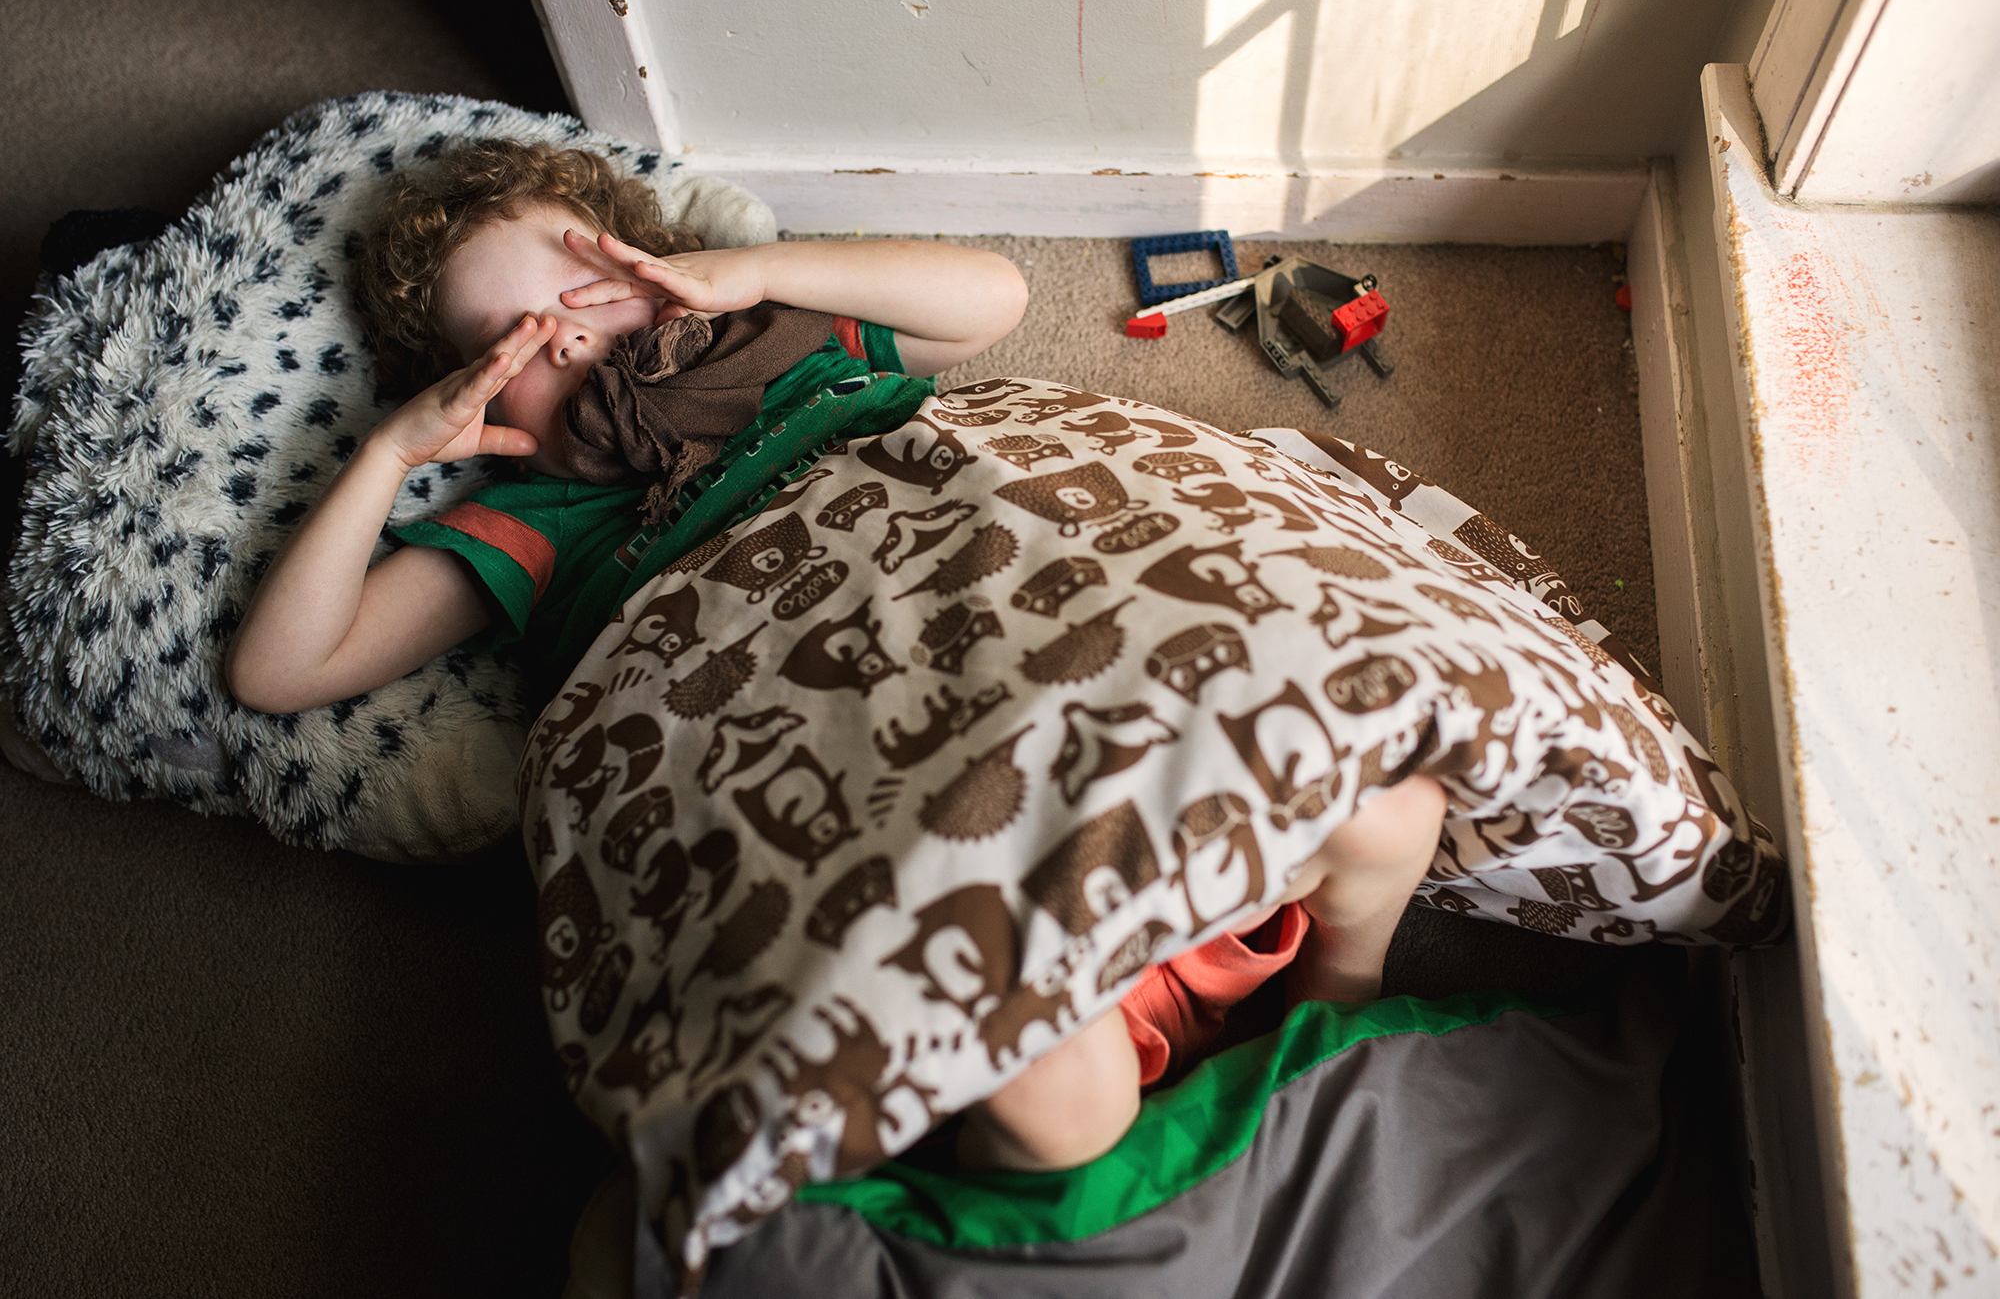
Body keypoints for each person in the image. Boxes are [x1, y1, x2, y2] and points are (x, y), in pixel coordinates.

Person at [224, 138, 1445, 1180]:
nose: (565, 336)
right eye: (507, 337)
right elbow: (281, 670)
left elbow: (993, 297)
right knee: (1054, 1095)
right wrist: (393, 454)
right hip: (926, 836)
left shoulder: (789, 351)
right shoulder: (532, 519)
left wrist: (750, 274)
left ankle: (1340, 1005)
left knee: (1390, 806)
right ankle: (1120, 1206)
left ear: (653, 263)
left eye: (585, 281)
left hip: (1074, 713)